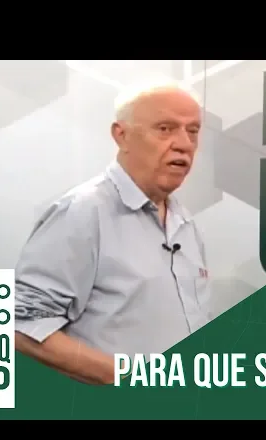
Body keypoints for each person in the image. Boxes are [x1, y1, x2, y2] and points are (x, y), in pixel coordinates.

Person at [14, 79, 212, 385]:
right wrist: (128, 379)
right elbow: (21, 325)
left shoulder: (184, 223)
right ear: (122, 135)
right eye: (165, 128)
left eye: (193, 131)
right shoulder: (83, 212)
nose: (184, 144)